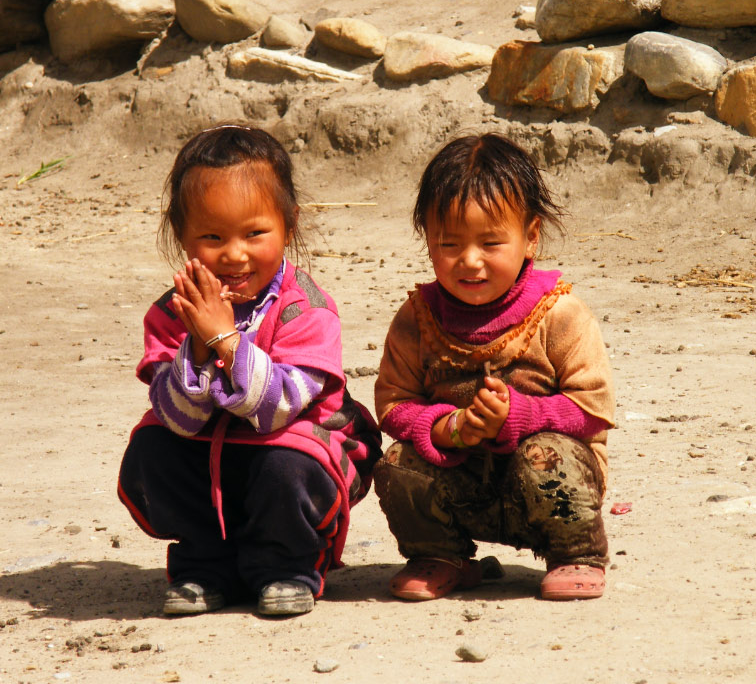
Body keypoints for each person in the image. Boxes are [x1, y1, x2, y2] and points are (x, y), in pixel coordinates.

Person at [118, 124, 381, 617]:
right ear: (182, 235)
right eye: (212, 236)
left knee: (285, 462)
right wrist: (196, 347)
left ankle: (287, 563)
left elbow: (277, 407)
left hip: (289, 455)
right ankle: (206, 561)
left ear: (289, 225)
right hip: (211, 452)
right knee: (154, 444)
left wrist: (226, 341)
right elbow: (180, 417)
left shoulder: (305, 309)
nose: (234, 254)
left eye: (255, 233)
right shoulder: (173, 312)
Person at [373, 133, 615, 602]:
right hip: (462, 482)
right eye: (449, 243)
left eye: (490, 242)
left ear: (531, 237)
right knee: (398, 462)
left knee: (547, 455)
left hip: (546, 488)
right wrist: (450, 428)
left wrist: (519, 417)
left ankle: (575, 553)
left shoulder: (560, 315)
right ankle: (440, 554)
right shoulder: (417, 319)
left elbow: (593, 409)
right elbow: (393, 405)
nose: (469, 261)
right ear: (426, 238)